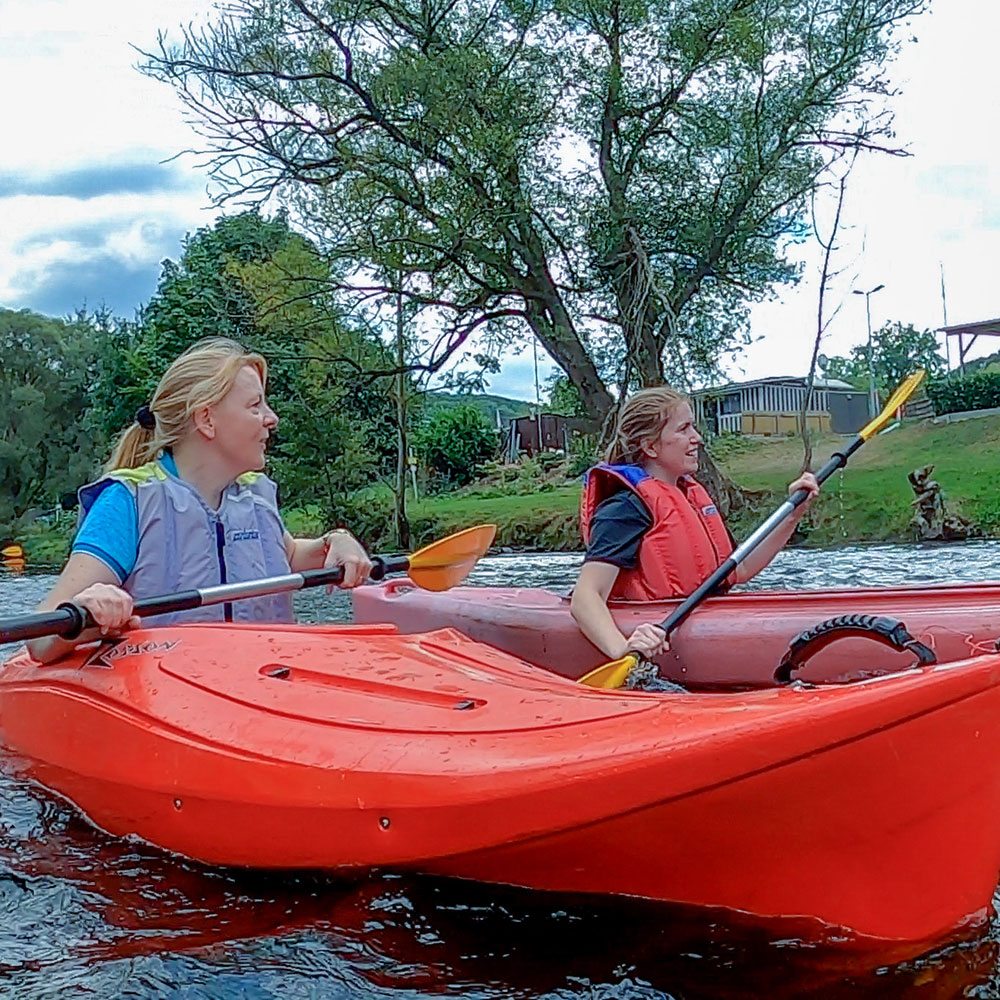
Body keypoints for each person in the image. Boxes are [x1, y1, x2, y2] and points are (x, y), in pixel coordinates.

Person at [27, 337, 372, 663]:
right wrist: (89, 606)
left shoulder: (255, 495)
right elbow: (41, 639)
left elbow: (290, 555)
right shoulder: (128, 501)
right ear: (207, 420)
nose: (272, 418)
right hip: (171, 699)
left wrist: (335, 542)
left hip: (268, 685)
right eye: (255, 405)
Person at [571, 386, 818, 661]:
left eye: (694, 428)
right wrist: (622, 649)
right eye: (684, 429)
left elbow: (741, 568)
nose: (696, 438)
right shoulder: (624, 508)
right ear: (651, 446)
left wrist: (794, 514)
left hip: (705, 621)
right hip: (653, 629)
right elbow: (586, 596)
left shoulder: (690, 497)